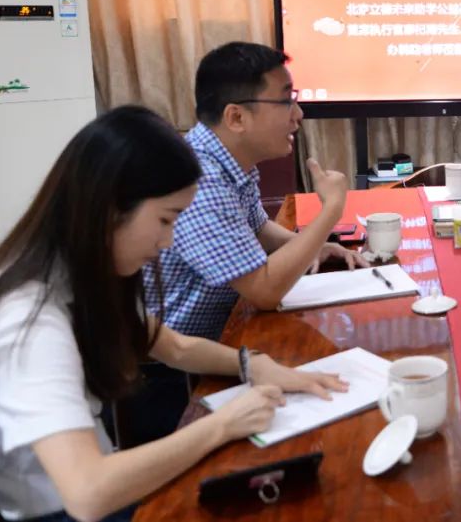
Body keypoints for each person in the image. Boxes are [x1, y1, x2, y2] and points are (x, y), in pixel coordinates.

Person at [0, 106, 347, 522]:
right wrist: (222, 425)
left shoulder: (81, 270)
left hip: (104, 480)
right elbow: (87, 493)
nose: (169, 240)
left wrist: (252, 364)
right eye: (165, 219)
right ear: (111, 207)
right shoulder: (28, 321)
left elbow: (172, 346)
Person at [131, 43, 367, 445]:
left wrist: (311, 245)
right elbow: (264, 290)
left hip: (218, 344)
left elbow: (257, 228)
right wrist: (329, 212)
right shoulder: (202, 178)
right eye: (285, 101)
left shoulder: (229, 159)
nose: (298, 115)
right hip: (170, 375)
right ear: (236, 117)